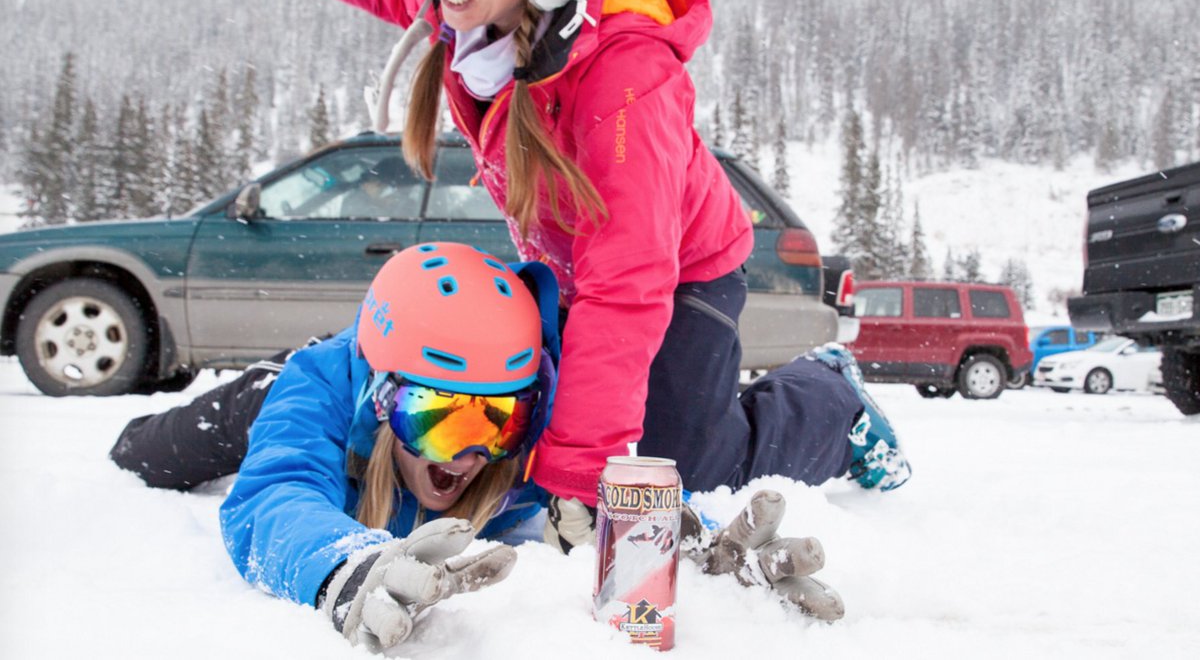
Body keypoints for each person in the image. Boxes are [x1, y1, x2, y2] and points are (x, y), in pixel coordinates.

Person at [210, 0, 910, 553]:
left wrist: (582, 476)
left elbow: (628, 286)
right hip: (575, 268)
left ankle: (829, 402)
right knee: (529, 422)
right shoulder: (477, 1)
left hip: (681, 274)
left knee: (676, 464)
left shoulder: (625, 84)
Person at [111, 243, 846, 652]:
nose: (467, 457)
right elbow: (273, 495)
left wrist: (701, 551)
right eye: (438, 420)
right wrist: (342, 565)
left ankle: (832, 387)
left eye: (495, 425)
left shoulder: (544, 417)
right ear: (382, 397)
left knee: (716, 452)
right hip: (284, 392)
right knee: (153, 452)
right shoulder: (323, 390)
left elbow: (622, 497)